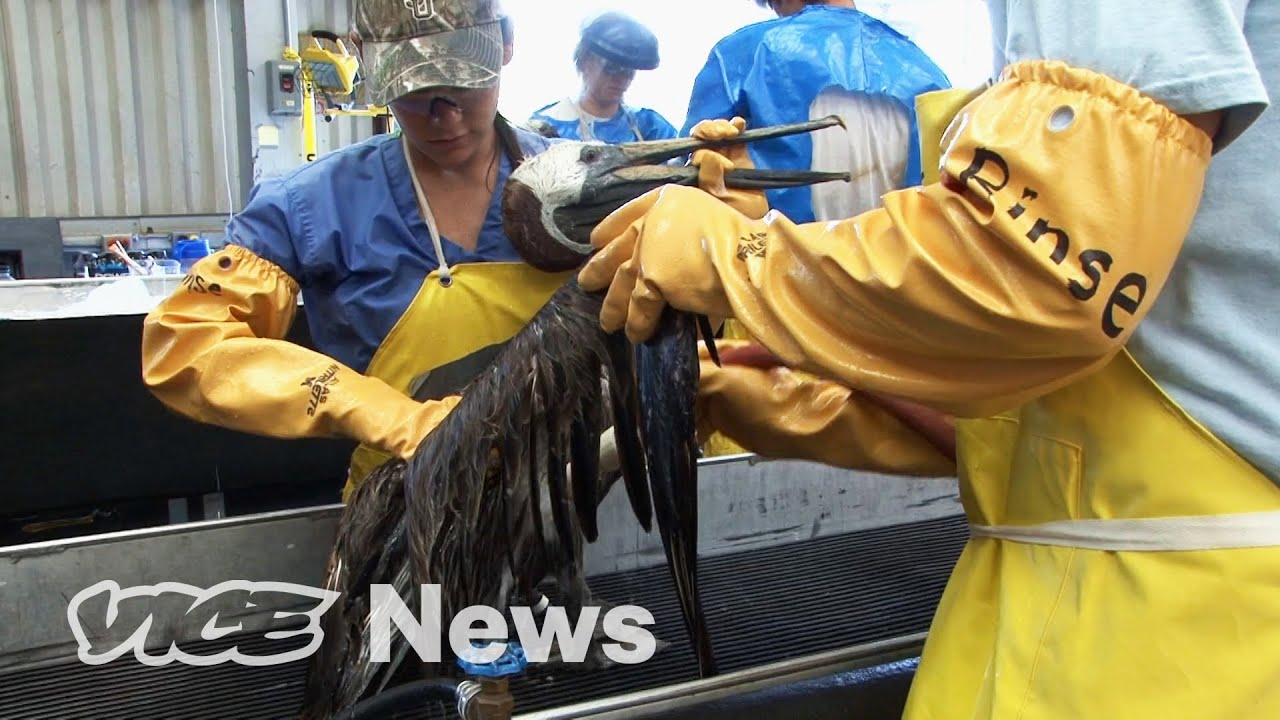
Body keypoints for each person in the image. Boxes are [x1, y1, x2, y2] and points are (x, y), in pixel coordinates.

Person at [578, 1, 1279, 718]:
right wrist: (794, 401)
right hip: (1107, 591)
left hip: (1159, 631)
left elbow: (1034, 276)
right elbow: (1072, 388)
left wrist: (739, 255)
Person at [139, 0, 577, 502]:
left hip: (568, 498)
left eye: (462, 82)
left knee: (588, 583)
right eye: (413, 92)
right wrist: (376, 411)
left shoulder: (579, 184)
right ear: (367, 63)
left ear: (506, 42)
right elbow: (186, 348)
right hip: (404, 518)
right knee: (417, 588)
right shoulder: (312, 204)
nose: (444, 116)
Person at [682, 0, 951, 224]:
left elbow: (683, 177)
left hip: (780, 273)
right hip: (896, 274)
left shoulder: (747, 52)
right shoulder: (929, 72)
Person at [527, 11, 678, 143]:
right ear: (585, 60)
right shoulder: (546, 127)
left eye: (629, 71)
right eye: (612, 68)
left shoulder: (651, 126)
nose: (622, 80)